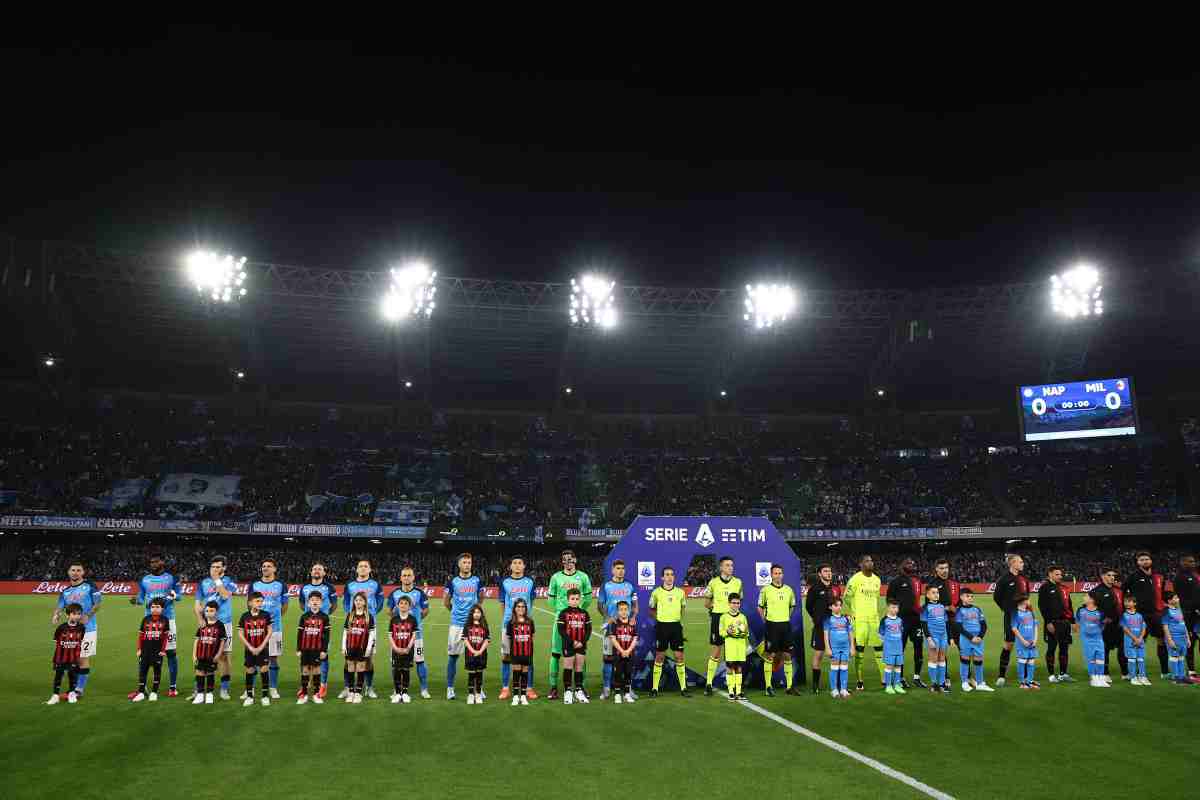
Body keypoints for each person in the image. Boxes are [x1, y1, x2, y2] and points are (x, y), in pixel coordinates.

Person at [131, 554, 181, 696]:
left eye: (156, 561)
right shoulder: (145, 579)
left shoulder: (171, 577)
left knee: (171, 653)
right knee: (145, 654)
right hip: (149, 622)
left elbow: (179, 595)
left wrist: (173, 596)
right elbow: (141, 597)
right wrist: (137, 601)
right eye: (151, 561)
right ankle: (142, 688)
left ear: (162, 562)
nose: (153, 564)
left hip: (168, 620)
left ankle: (172, 687)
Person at [546, 549, 593, 700]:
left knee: (580, 653)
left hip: (578, 622)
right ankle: (553, 686)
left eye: (570, 559)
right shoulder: (555, 577)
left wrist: (579, 611)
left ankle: (581, 686)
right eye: (565, 559)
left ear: (575, 560)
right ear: (562, 562)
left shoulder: (583, 577)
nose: (568, 562)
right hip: (561, 620)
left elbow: (588, 598)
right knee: (555, 654)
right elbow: (550, 600)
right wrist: (563, 612)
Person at [52, 561, 100, 699]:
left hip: (88, 629)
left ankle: (79, 690)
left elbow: (98, 603)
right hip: (72, 630)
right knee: (72, 659)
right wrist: (56, 614)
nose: (75, 572)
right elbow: (60, 606)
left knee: (82, 658)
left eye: (78, 570)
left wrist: (88, 615)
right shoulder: (65, 591)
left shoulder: (90, 586)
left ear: (83, 572)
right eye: (73, 570)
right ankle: (73, 689)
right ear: (68, 572)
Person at [387, 565, 432, 699]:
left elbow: (425, 610)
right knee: (396, 663)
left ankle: (424, 689)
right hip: (398, 636)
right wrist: (399, 622)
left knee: (420, 661)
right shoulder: (394, 593)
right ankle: (397, 689)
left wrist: (414, 621)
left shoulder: (419, 593)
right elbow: (389, 611)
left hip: (416, 636)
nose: (407, 578)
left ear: (413, 577)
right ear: (401, 577)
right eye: (404, 575)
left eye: (409, 575)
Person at [1123, 551, 1169, 680]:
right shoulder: (1133, 576)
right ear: (1138, 563)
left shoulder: (1159, 576)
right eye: (1142, 560)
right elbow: (1122, 591)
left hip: (1156, 614)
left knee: (1161, 641)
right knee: (1138, 642)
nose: (1145, 561)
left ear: (1151, 561)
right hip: (1139, 616)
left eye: (1146, 559)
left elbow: (1162, 593)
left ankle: (1165, 672)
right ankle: (1135, 672)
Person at [196, 556, 237, 700]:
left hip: (224, 623)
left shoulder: (229, 581)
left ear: (224, 568)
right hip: (207, 624)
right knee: (203, 655)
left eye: (218, 567)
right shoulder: (203, 583)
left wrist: (217, 579)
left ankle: (224, 689)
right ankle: (199, 689)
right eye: (213, 567)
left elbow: (225, 595)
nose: (215, 569)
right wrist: (200, 618)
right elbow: (197, 604)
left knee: (224, 657)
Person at [342, 559, 383, 699]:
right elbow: (346, 601)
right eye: (361, 566)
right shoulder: (350, 584)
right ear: (357, 569)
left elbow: (381, 602)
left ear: (370, 569)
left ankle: (369, 687)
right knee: (348, 659)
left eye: (366, 566)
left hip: (369, 626)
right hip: (353, 626)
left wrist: (370, 614)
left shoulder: (375, 584)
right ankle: (348, 688)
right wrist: (351, 616)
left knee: (369, 658)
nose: (363, 568)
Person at [443, 553, 482, 701]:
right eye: (464, 562)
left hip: (473, 625)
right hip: (457, 625)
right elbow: (446, 601)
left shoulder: (477, 580)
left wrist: (474, 612)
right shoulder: (453, 581)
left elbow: (481, 597)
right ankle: (450, 688)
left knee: (476, 657)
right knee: (453, 657)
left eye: (469, 562)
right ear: (459, 564)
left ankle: (478, 688)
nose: (467, 564)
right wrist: (455, 611)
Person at [498, 554, 537, 700]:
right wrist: (506, 621)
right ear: (510, 566)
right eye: (514, 563)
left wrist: (528, 620)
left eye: (520, 563)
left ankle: (529, 688)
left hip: (526, 626)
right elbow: (502, 602)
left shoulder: (530, 582)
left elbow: (531, 602)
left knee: (528, 656)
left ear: (524, 566)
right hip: (509, 624)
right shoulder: (505, 582)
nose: (517, 565)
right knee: (506, 656)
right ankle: (505, 688)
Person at [844, 555, 885, 691]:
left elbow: (876, 598)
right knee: (859, 651)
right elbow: (847, 598)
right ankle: (860, 681)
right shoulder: (855, 579)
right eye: (867, 561)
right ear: (861, 564)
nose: (870, 563)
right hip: (860, 621)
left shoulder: (877, 580)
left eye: (871, 560)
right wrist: (855, 612)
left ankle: (884, 679)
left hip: (874, 620)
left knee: (879, 649)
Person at [298, 562, 338, 699]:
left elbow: (334, 605)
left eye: (319, 569)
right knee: (306, 654)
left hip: (322, 626)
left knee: (323, 654)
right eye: (314, 569)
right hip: (308, 625)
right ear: (311, 571)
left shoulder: (329, 587)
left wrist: (324, 615)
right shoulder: (305, 587)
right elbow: (302, 603)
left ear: (324, 573)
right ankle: (306, 683)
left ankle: (323, 684)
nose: (316, 571)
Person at [703, 556, 742, 696]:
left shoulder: (738, 582)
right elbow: (706, 603)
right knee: (716, 651)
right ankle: (708, 683)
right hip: (718, 618)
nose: (730, 567)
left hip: (733, 620)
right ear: (721, 568)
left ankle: (732, 685)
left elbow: (738, 601)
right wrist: (717, 608)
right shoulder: (713, 582)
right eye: (727, 565)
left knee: (732, 653)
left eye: (731, 565)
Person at [251, 558, 289, 700]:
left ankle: (273, 688)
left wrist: (275, 618)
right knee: (254, 658)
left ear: (274, 569)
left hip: (275, 628)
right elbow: (250, 604)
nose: (265, 568)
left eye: (268, 566)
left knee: (273, 657)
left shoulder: (280, 585)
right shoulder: (254, 585)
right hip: (256, 628)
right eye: (263, 566)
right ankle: (251, 688)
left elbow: (284, 605)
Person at [598, 559, 637, 700]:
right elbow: (600, 605)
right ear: (613, 570)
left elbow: (635, 605)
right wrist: (608, 617)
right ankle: (607, 688)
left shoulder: (629, 586)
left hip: (627, 629)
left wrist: (633, 617)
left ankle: (628, 688)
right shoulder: (606, 586)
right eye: (618, 568)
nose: (621, 570)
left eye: (622, 568)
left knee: (627, 659)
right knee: (608, 659)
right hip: (610, 628)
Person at [757, 563, 798, 696]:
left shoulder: (788, 590)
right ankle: (768, 687)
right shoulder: (765, 590)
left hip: (785, 625)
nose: (778, 575)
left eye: (780, 573)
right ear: (771, 575)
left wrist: (785, 617)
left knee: (787, 655)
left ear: (783, 574)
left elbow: (792, 606)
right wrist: (767, 621)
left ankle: (789, 686)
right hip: (772, 625)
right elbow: (760, 607)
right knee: (770, 655)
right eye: (775, 573)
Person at [649, 566, 689, 698]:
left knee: (679, 657)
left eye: (672, 574)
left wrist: (679, 621)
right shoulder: (656, 592)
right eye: (667, 574)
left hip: (676, 627)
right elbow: (651, 609)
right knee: (660, 656)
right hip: (662, 627)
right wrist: (660, 619)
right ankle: (655, 689)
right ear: (662, 577)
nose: (669, 577)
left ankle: (683, 688)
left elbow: (683, 608)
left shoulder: (680, 592)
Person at [887, 557, 926, 689]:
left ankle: (917, 677)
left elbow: (918, 599)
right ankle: (900, 678)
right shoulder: (896, 581)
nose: (911, 565)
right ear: (902, 565)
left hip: (916, 620)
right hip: (901, 621)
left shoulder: (917, 581)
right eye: (908, 563)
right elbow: (889, 599)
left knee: (919, 647)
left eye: (913, 563)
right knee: (900, 649)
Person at [993, 554, 1031, 686]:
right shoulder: (1003, 579)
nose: (1022, 564)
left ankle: (1026, 676)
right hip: (1011, 615)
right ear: (1012, 563)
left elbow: (1027, 597)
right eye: (1020, 562)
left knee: (1025, 643)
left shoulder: (1024, 580)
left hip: (1025, 616)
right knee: (1008, 644)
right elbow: (997, 597)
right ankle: (1001, 676)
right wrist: (1006, 609)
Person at [805, 563, 841, 694]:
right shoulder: (814, 589)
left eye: (830, 571)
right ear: (820, 574)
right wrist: (816, 618)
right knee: (819, 654)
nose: (828, 573)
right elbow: (808, 606)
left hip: (835, 626)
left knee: (836, 654)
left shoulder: (835, 588)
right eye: (825, 571)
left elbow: (838, 604)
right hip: (820, 627)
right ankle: (815, 685)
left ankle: (838, 684)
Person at [926, 558, 961, 690]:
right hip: (941, 623)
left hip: (955, 620)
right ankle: (944, 678)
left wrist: (957, 608)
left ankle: (967, 676)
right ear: (936, 569)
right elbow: (929, 606)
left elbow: (959, 601)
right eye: (941, 568)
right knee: (942, 652)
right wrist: (947, 608)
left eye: (946, 568)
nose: (944, 570)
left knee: (962, 648)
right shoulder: (932, 584)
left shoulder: (953, 583)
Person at [1089, 567, 1128, 682]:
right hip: (1104, 626)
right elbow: (1089, 609)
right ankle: (1105, 673)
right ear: (1102, 576)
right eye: (1109, 575)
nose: (1112, 577)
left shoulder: (1119, 590)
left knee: (1123, 649)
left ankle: (1125, 672)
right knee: (1104, 650)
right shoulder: (1096, 591)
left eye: (1113, 575)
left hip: (1120, 624)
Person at [1037, 565, 1074, 684]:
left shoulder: (1064, 588)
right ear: (1050, 574)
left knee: (1064, 649)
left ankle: (1063, 673)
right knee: (1051, 648)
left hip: (1065, 623)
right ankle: (1051, 675)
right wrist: (1048, 622)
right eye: (1057, 574)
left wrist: (1072, 621)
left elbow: (1069, 605)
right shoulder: (1044, 588)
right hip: (1052, 623)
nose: (1060, 576)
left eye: (1060, 574)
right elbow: (1042, 606)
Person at [238, 591, 273, 707]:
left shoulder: (266, 615)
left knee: (264, 670)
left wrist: (261, 646)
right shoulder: (244, 616)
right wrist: (250, 647)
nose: (260, 603)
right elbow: (240, 633)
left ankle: (265, 696)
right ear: (250, 603)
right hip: (250, 650)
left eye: (261, 601)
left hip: (263, 649)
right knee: (250, 671)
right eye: (257, 601)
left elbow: (269, 631)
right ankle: (249, 696)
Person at [132, 597, 171, 702]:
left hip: (157, 651)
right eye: (152, 607)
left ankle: (154, 692)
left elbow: (165, 637)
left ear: (162, 608)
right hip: (145, 650)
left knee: (157, 671)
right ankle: (141, 692)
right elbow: (140, 636)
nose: (154, 609)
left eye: (157, 607)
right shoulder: (145, 619)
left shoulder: (165, 620)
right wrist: (139, 649)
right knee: (142, 671)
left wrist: (163, 650)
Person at [296, 591, 331, 704]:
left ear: (321, 603)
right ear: (308, 603)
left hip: (317, 649)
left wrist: (324, 650)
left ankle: (316, 694)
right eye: (312, 600)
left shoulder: (324, 617)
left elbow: (326, 636)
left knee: (316, 670)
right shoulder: (304, 617)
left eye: (317, 600)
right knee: (305, 670)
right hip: (305, 648)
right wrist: (298, 649)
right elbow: (300, 634)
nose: (315, 602)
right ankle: (304, 694)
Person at [557, 588, 592, 704]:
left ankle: (578, 690)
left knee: (579, 668)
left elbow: (588, 630)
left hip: (581, 645)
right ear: (568, 600)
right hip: (568, 645)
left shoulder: (584, 613)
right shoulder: (563, 613)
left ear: (580, 599)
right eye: (572, 599)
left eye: (577, 599)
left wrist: (582, 642)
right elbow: (561, 630)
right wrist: (573, 642)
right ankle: (567, 691)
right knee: (568, 667)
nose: (575, 601)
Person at [955, 588, 992, 691]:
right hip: (966, 639)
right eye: (967, 596)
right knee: (965, 659)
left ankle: (980, 683)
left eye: (971, 596)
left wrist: (980, 637)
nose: (970, 598)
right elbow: (959, 627)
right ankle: (965, 683)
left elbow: (984, 625)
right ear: (961, 597)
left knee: (979, 660)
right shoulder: (959, 610)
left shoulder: (977, 609)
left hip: (978, 640)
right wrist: (971, 637)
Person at [342, 592, 375, 704]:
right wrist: (343, 646)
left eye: (361, 600)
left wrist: (369, 648)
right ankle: (351, 691)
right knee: (351, 667)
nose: (358, 602)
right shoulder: (350, 615)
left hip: (363, 647)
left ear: (365, 602)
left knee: (361, 668)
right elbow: (345, 632)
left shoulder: (369, 616)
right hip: (350, 646)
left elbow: (371, 634)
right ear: (354, 602)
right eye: (356, 600)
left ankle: (358, 693)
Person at [48, 602, 85, 704]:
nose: (77, 616)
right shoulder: (61, 628)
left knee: (72, 674)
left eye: (79, 614)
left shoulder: (81, 627)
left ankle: (72, 693)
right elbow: (56, 641)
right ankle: (55, 695)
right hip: (60, 657)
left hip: (74, 657)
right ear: (68, 615)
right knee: (58, 675)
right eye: (74, 614)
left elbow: (80, 640)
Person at [192, 600, 226, 705]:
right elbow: (197, 640)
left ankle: (210, 694)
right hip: (201, 654)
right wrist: (194, 655)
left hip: (212, 655)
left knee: (210, 673)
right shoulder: (202, 624)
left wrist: (219, 654)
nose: (209, 612)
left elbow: (222, 641)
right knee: (200, 672)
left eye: (211, 610)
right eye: (207, 610)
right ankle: (200, 694)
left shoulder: (220, 625)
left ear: (217, 612)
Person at [1170, 555, 1198, 680]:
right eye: (1190, 561)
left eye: (1193, 561)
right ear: (1183, 563)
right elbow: (1181, 598)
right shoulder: (1179, 577)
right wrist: (1193, 608)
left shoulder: (1194, 576)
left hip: (1197, 614)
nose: (1193, 563)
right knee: (1189, 642)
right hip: (1188, 614)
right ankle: (1191, 670)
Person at [387, 595, 418, 704]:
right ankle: (397, 692)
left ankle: (404, 693)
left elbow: (414, 635)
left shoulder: (412, 619)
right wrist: (395, 648)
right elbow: (390, 635)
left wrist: (408, 648)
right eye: (401, 603)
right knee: (396, 670)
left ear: (409, 606)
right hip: (396, 650)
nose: (403, 605)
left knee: (406, 670)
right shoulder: (394, 619)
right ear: (397, 605)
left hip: (408, 650)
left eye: (406, 603)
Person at [719, 594, 750, 701]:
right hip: (730, 646)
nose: (736, 605)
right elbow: (721, 632)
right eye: (733, 603)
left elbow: (747, 633)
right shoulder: (723, 617)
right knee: (730, 668)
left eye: (738, 603)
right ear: (729, 604)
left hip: (740, 647)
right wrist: (727, 632)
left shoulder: (743, 617)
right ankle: (731, 692)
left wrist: (743, 633)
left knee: (739, 668)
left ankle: (739, 691)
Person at [506, 598, 536, 705]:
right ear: (514, 608)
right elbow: (510, 639)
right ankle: (515, 696)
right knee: (516, 673)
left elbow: (532, 637)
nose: (521, 608)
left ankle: (523, 696)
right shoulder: (511, 623)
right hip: (515, 653)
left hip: (527, 652)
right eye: (518, 606)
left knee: (525, 673)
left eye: (523, 606)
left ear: (525, 608)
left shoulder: (530, 622)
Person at [919, 586, 949, 693]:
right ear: (927, 595)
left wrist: (948, 636)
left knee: (942, 658)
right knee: (933, 658)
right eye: (933, 592)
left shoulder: (942, 606)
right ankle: (934, 683)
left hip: (943, 636)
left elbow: (945, 622)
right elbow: (924, 624)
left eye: (937, 592)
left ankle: (942, 683)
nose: (936, 594)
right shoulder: (925, 607)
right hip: (933, 636)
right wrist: (929, 638)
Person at [607, 600, 637, 704]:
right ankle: (617, 694)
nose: (623, 612)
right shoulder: (614, 624)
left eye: (625, 609)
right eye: (621, 610)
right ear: (617, 611)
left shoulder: (632, 623)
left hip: (630, 654)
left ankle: (627, 694)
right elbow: (613, 639)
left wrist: (628, 651)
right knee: (618, 674)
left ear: (628, 611)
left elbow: (635, 639)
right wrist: (622, 651)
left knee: (628, 673)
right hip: (618, 654)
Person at [823, 597, 852, 698]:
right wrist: (827, 648)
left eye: (840, 605)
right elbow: (826, 634)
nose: (839, 607)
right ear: (830, 607)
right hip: (834, 648)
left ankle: (843, 689)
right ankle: (834, 689)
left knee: (844, 667)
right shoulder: (828, 619)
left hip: (845, 647)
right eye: (836, 605)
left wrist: (852, 646)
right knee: (834, 667)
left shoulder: (846, 619)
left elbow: (850, 633)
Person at [463, 604, 491, 705]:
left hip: (481, 655)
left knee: (479, 674)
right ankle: (470, 695)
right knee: (471, 675)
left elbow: (487, 640)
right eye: (475, 612)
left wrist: (480, 651)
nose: (476, 614)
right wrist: (473, 651)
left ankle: (478, 694)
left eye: (478, 612)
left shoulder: (484, 625)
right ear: (472, 614)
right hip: (470, 655)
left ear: (481, 614)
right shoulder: (467, 625)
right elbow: (465, 640)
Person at [1011, 594, 1040, 689]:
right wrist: (1023, 641)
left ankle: (1029, 681)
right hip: (1022, 642)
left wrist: (1035, 639)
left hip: (1032, 642)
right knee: (1022, 660)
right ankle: (1022, 682)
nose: (1029, 602)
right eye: (1028, 600)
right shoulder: (1016, 613)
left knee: (1031, 661)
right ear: (1023, 601)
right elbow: (1014, 629)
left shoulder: (1030, 612)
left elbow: (1035, 626)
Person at [878, 599, 907, 695]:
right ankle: (888, 686)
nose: (895, 609)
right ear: (888, 608)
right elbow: (880, 633)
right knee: (889, 666)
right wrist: (886, 642)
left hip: (898, 647)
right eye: (893, 607)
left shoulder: (900, 620)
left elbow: (901, 631)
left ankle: (897, 685)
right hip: (889, 648)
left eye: (896, 607)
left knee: (898, 666)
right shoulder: (884, 620)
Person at [1162, 590, 1191, 685]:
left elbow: (1183, 624)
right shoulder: (1166, 611)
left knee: (1181, 657)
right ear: (1169, 600)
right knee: (1174, 656)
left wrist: (1187, 637)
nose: (1178, 599)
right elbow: (1165, 626)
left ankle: (1182, 676)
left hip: (1182, 638)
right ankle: (1175, 677)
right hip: (1174, 638)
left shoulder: (1178, 609)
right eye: (1175, 598)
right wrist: (1170, 640)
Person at [1121, 595, 1150, 686]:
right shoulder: (1124, 615)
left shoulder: (1139, 616)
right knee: (1132, 659)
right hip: (1130, 640)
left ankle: (1142, 676)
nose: (1127, 603)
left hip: (1139, 640)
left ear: (1135, 603)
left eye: (1129, 601)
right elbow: (1125, 629)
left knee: (1141, 658)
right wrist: (1135, 638)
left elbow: (1144, 627)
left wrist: (1140, 638)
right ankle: (1133, 677)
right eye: (1125, 601)